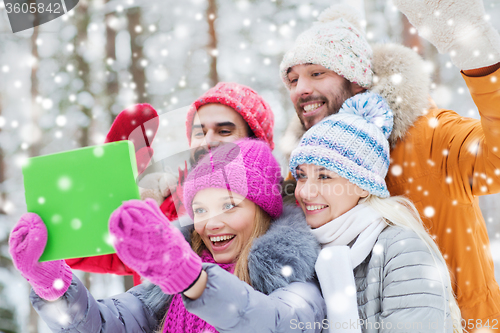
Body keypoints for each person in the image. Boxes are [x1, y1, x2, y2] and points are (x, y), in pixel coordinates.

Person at [279, 1, 500, 322]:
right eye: (293, 79)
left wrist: (479, 58)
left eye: (317, 73)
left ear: (356, 81)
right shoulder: (305, 169)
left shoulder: (430, 136)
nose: (302, 89)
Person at [9, 138, 325, 333]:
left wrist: (193, 279)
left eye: (229, 205)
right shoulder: (167, 289)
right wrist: (52, 286)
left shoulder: (295, 281)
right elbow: (105, 324)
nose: (211, 224)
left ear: (262, 208)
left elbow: (275, 324)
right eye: (200, 210)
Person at [67, 82, 276, 286]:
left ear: (254, 143)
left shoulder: (275, 213)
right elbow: (77, 251)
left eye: (224, 132)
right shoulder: (167, 207)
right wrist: (109, 185)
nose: (207, 142)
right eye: (199, 133)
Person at [289, 91, 462, 332]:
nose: (305, 192)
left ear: (362, 185)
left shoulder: (403, 251)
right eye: (301, 176)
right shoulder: (299, 251)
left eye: (324, 176)